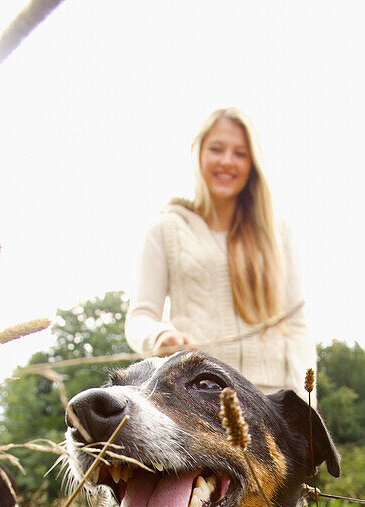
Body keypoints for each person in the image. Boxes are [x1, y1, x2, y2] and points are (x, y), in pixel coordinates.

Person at [125, 107, 315, 398]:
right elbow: (140, 316)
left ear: (252, 163)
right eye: (216, 149)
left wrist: (306, 402)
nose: (227, 161)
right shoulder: (165, 230)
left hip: (270, 399)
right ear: (198, 152)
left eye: (240, 153)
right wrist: (160, 336)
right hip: (198, 400)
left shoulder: (277, 233)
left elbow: (296, 324)